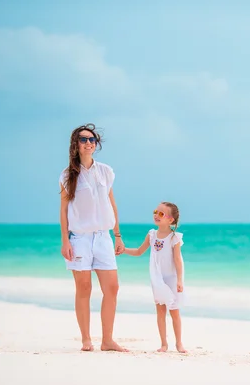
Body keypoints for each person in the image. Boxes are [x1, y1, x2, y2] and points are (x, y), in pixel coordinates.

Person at [59, 123, 128, 352]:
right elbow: (63, 210)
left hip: (103, 237)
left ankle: (107, 340)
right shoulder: (68, 175)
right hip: (79, 238)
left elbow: (112, 204)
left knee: (112, 287)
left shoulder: (106, 171)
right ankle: (86, 339)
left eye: (92, 139)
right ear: (75, 144)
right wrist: (65, 241)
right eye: (83, 139)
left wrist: (117, 235)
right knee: (84, 288)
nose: (89, 143)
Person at [123, 202, 187, 353]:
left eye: (161, 214)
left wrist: (179, 280)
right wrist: (124, 250)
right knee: (160, 311)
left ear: (170, 220)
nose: (156, 215)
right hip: (157, 279)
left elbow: (178, 260)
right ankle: (164, 344)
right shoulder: (152, 235)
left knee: (174, 311)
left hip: (171, 278)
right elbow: (139, 251)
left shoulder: (174, 238)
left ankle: (179, 343)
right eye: (155, 212)